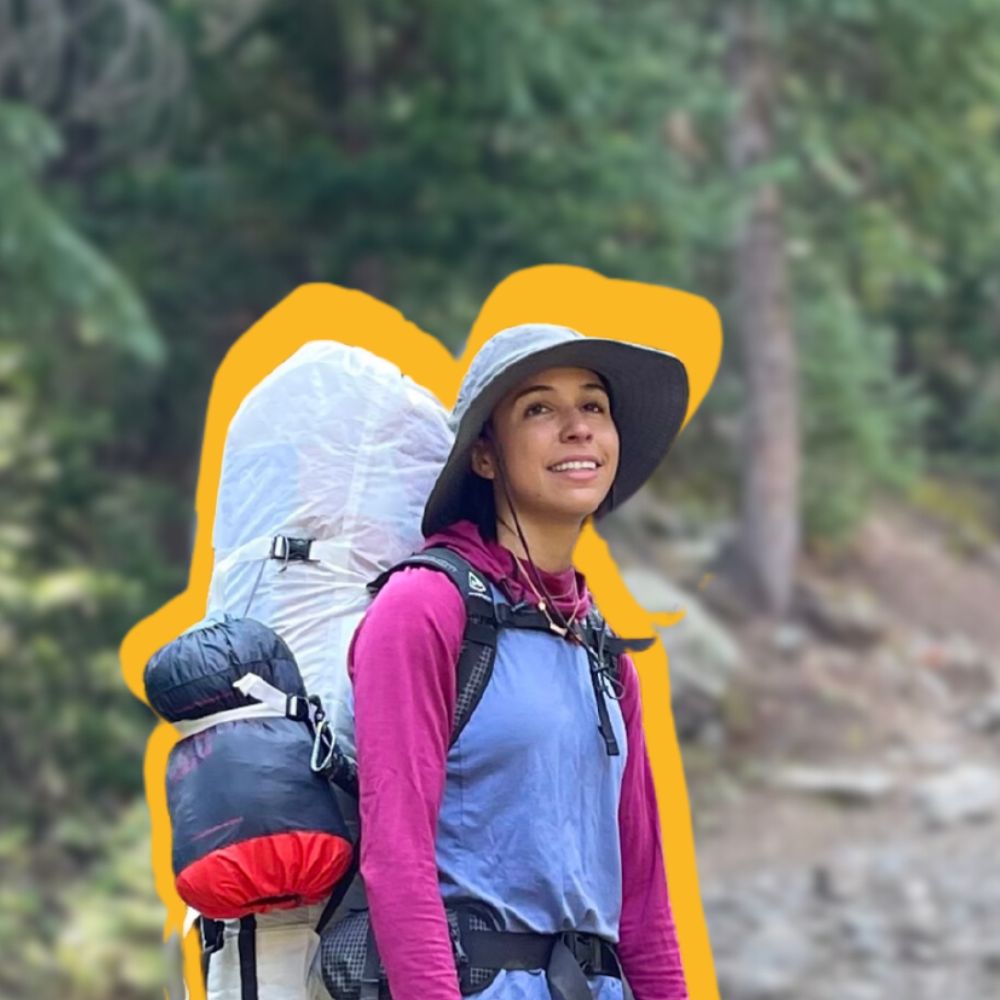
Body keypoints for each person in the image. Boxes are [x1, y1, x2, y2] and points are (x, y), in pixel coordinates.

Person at [348, 323, 691, 1000]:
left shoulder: (601, 649)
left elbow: (645, 902)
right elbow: (397, 860)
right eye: (539, 408)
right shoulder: (425, 608)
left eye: (593, 405)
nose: (578, 427)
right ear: (485, 456)